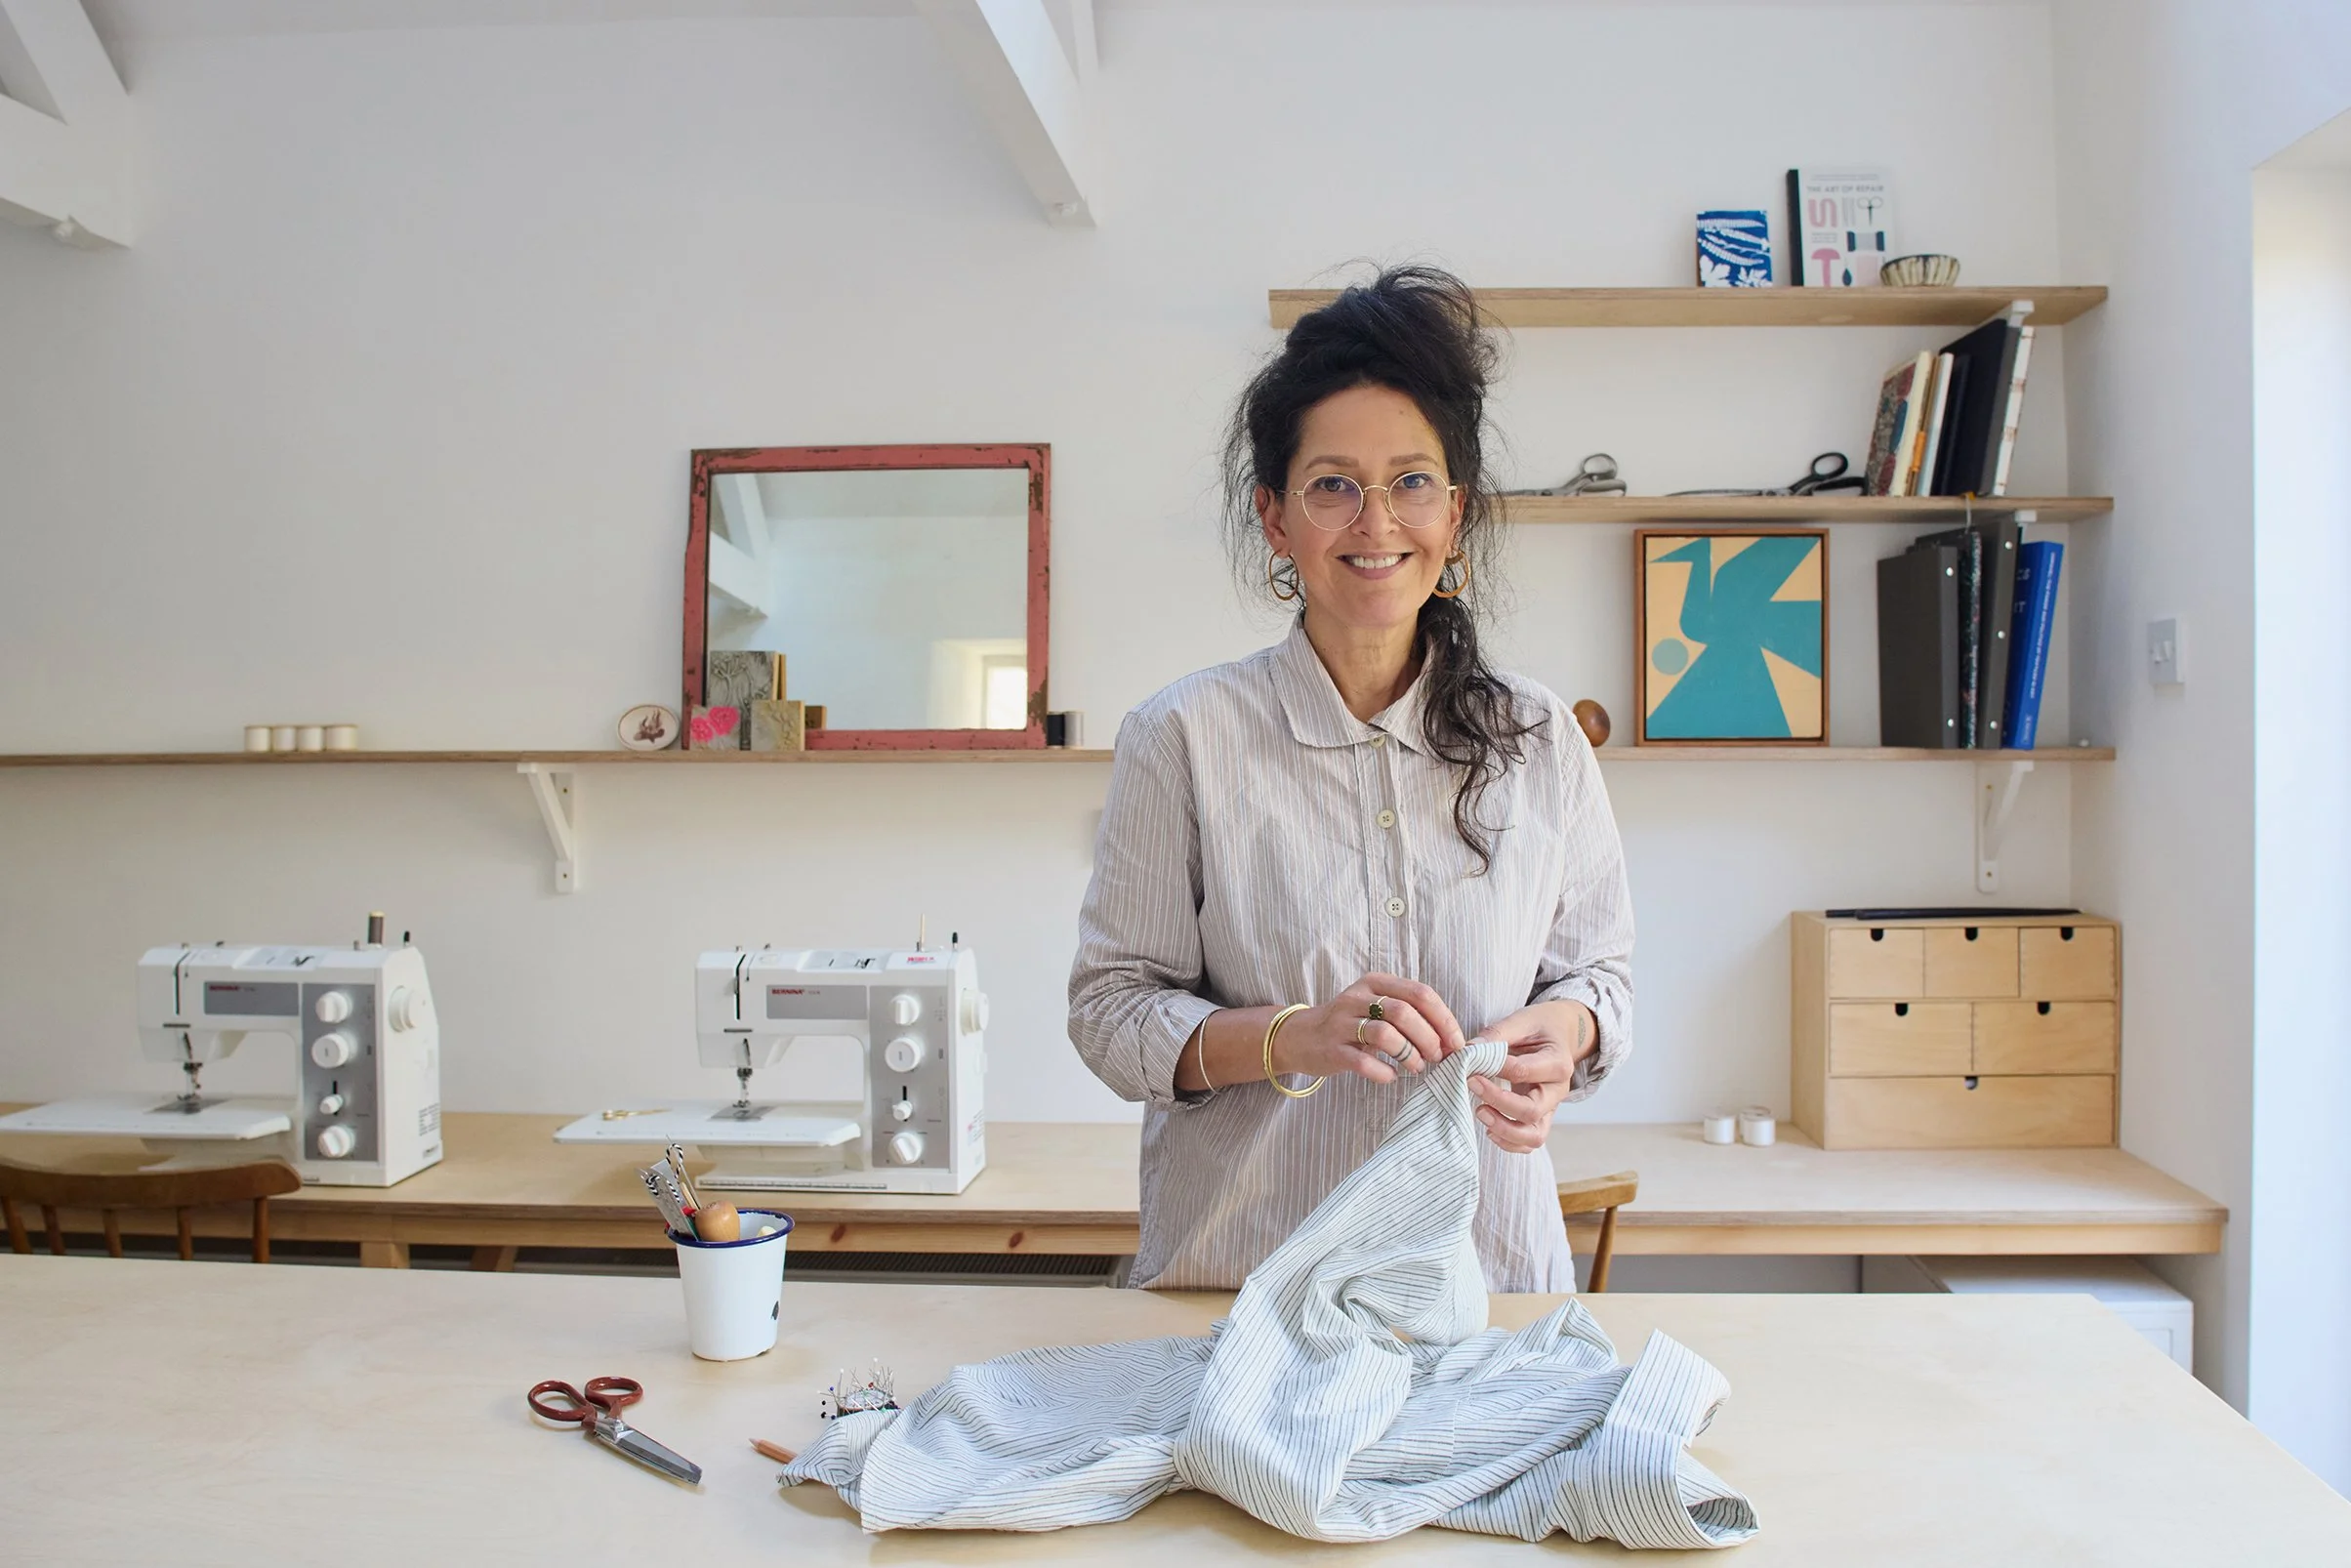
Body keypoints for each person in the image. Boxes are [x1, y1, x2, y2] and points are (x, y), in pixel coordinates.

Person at [1068, 266, 1632, 1292]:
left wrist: (1563, 1035)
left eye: (1411, 481)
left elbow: (1600, 980)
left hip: (1486, 1290)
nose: (1376, 522)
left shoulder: (1540, 736)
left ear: (1453, 513)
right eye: (1332, 485)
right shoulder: (1181, 737)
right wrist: (1293, 1035)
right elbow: (1109, 1015)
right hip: (1241, 1296)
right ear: (1275, 519)